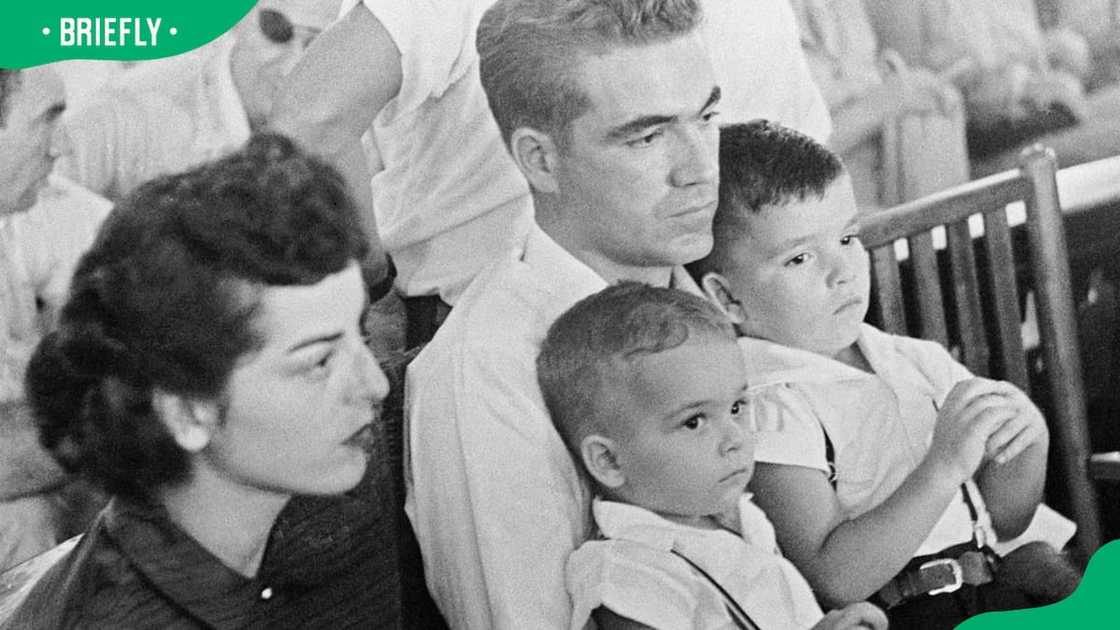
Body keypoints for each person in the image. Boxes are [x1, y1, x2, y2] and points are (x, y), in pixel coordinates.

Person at [404, 0, 723, 626]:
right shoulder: (489, 373)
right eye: (649, 136)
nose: (701, 169)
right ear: (541, 160)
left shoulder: (697, 291)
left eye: (707, 117)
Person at [688, 120, 1073, 629]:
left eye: (848, 237)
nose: (843, 271)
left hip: (992, 589)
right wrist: (942, 467)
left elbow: (1004, 520)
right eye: (800, 257)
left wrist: (1027, 445)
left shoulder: (915, 361)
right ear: (727, 297)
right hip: (906, 614)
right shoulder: (765, 406)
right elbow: (836, 578)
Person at [3, 133, 399, 628]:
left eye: (359, 337)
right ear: (188, 411)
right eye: (318, 363)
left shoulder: (316, 496)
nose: (374, 386)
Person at [270, 0, 831, 325]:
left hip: (553, 317)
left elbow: (312, 117)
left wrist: (370, 271)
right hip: (716, 306)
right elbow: (795, 168)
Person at [537, 282, 889, 630]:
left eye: (737, 406)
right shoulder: (628, 574)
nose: (735, 438)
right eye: (694, 422)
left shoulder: (734, 517)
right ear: (609, 461)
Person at [55, 0, 339, 202]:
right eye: (277, 30)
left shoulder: (346, 116)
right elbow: (30, 219)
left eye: (320, 47)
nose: (294, 64)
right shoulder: (133, 112)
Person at [0, 66, 112, 571]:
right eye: (47, 120)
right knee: (25, 520)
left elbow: (116, 235)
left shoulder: (20, 210)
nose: (62, 145)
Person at [790, 0, 968, 207]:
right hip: (820, 218)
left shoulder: (847, 8)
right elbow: (775, 164)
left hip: (884, 204)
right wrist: (885, 102)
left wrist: (914, 87)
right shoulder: (757, 19)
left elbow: (872, 81)